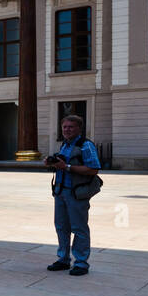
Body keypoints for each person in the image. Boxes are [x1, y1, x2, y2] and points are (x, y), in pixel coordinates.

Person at [47, 114, 101, 276]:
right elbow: (63, 165)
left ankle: (81, 263)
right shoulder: (65, 144)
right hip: (60, 191)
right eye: (64, 127)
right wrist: (52, 164)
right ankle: (63, 259)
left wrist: (67, 167)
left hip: (76, 193)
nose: (67, 130)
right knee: (61, 227)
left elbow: (93, 169)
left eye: (71, 127)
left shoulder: (86, 145)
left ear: (79, 128)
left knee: (79, 228)